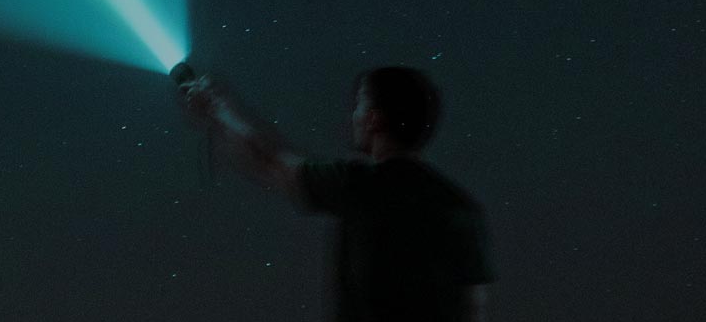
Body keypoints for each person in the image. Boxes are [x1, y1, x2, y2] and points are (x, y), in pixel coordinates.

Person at [178, 66, 495, 322]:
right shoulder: (463, 209)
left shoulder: (357, 186)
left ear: (374, 119)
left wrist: (217, 110)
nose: (353, 115)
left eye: (359, 104)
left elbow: (269, 160)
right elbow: (474, 310)